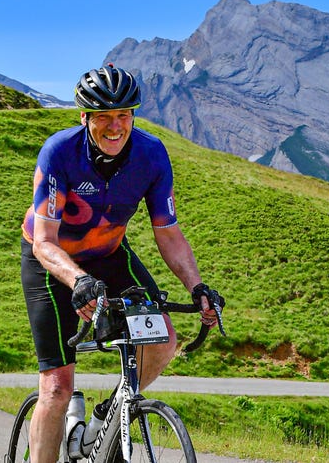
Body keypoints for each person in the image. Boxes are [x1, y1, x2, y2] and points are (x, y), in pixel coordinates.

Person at [20, 64, 221, 463]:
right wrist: (77, 279)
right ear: (85, 118)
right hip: (52, 261)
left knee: (162, 341)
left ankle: (105, 420)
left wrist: (196, 287)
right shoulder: (59, 153)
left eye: (124, 115)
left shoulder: (151, 155)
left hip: (109, 255)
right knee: (57, 389)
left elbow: (169, 232)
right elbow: (44, 241)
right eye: (104, 118)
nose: (115, 127)